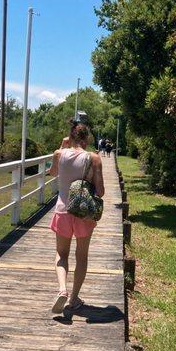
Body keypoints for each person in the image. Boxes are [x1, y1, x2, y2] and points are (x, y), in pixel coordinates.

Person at [49, 120, 105, 313]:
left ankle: (62, 290)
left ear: (70, 137)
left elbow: (52, 172)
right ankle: (73, 299)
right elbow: (101, 191)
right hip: (83, 214)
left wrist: (61, 147)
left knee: (61, 254)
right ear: (87, 138)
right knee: (81, 256)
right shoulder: (94, 158)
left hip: (63, 211)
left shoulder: (59, 154)